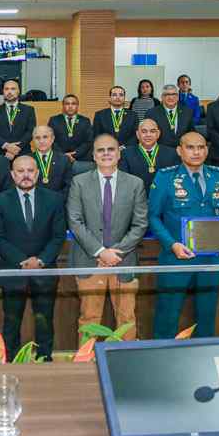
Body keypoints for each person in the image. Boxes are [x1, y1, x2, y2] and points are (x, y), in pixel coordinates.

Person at [148, 132, 219, 338]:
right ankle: (163, 360)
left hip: (211, 258)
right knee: (168, 315)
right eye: (190, 147)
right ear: (180, 151)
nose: (196, 152)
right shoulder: (165, 177)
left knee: (206, 316)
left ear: (206, 150)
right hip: (176, 258)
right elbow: (153, 216)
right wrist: (172, 245)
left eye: (201, 147)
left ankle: (202, 361)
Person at [67, 134, 149, 340]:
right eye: (100, 150)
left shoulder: (135, 183)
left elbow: (140, 224)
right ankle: (86, 368)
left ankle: (126, 369)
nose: (106, 154)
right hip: (89, 260)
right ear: (93, 155)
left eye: (110, 149)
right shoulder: (79, 182)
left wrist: (116, 253)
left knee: (126, 319)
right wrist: (101, 252)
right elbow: (75, 221)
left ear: (119, 153)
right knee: (89, 318)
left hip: (124, 261)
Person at [0, 155, 66, 362]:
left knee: (45, 321)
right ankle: (11, 361)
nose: (26, 175)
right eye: (20, 171)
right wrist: (22, 260)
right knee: (11, 322)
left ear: (37, 173)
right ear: (13, 175)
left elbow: (59, 236)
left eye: (30, 171)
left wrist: (41, 260)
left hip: (44, 270)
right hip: (13, 271)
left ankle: (44, 360)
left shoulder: (54, 199)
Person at [119, 118, 179, 191]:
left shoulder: (172, 153)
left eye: (152, 131)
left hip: (164, 198)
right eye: (144, 131)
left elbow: (175, 180)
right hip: (136, 198)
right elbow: (124, 181)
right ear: (137, 134)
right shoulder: (126, 154)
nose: (148, 135)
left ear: (158, 134)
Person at [0, 80, 37, 161]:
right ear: (3, 91)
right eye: (6, 89)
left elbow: (31, 131)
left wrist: (15, 149)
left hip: (22, 152)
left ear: (18, 91)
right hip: (0, 153)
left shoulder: (29, 110)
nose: (9, 92)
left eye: (13, 89)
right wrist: (7, 146)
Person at [146, 84, 195, 148]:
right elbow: (148, 136)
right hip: (160, 152)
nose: (171, 97)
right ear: (162, 97)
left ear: (178, 97)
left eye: (174, 94)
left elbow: (191, 133)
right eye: (167, 94)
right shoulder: (151, 113)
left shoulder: (187, 112)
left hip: (182, 151)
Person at [48, 94, 94, 162]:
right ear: (63, 106)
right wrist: (64, 155)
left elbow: (88, 141)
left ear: (77, 106)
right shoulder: (54, 120)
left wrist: (75, 154)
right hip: (59, 158)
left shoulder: (85, 121)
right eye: (67, 104)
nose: (70, 106)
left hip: (80, 158)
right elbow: (50, 140)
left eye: (73, 104)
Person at [31, 125, 73, 194]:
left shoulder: (64, 160)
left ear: (52, 139)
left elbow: (68, 186)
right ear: (33, 140)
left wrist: (56, 200)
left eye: (45, 137)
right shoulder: (27, 160)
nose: (41, 141)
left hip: (58, 201)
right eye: (37, 138)